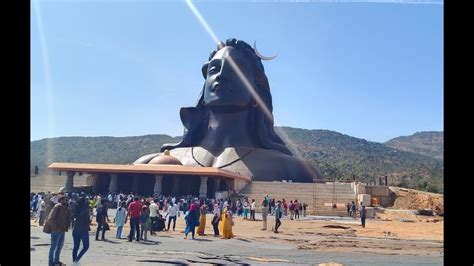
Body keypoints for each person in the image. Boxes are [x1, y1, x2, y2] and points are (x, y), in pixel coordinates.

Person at [134, 38, 320, 183]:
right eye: (214, 70)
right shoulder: (153, 162)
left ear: (256, 92)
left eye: (235, 70)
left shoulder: (294, 169)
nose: (221, 76)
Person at [46, 194, 71, 266]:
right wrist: (55, 227)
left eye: (67, 200)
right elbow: (50, 219)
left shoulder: (65, 208)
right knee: (53, 247)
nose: (67, 201)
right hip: (56, 231)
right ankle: (51, 263)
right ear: (61, 200)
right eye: (65, 200)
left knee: (59, 247)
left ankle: (56, 261)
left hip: (62, 231)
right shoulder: (57, 207)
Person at [72, 196, 90, 265]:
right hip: (83, 229)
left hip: (76, 228)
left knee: (76, 246)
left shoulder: (75, 208)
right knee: (86, 246)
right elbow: (87, 220)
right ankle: (77, 260)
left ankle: (74, 261)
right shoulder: (86, 209)